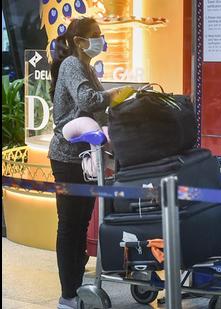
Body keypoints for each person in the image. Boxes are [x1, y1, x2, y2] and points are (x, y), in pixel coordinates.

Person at [48, 17, 133, 309]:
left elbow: (92, 108)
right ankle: (67, 294)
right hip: (67, 157)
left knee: (79, 223)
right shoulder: (73, 65)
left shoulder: (84, 66)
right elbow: (88, 99)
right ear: (80, 41)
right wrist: (113, 95)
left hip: (84, 158)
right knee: (70, 225)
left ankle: (74, 284)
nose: (101, 39)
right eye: (96, 35)